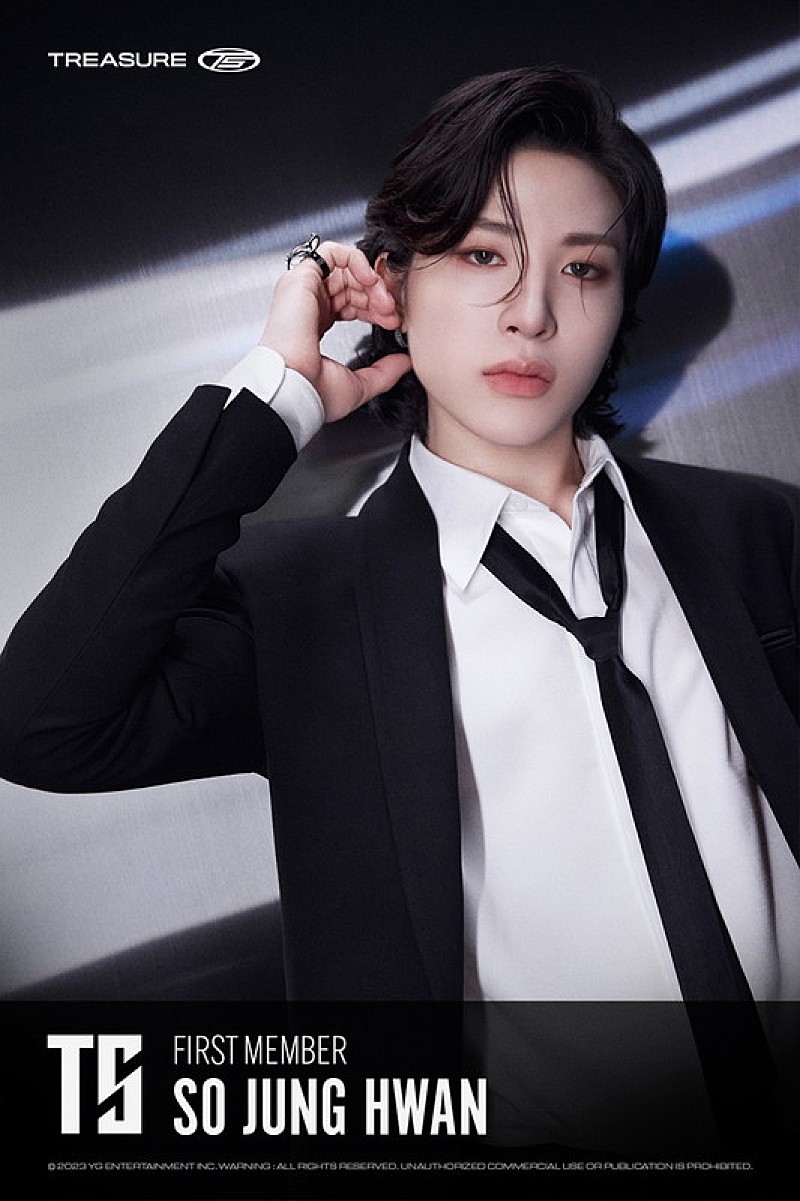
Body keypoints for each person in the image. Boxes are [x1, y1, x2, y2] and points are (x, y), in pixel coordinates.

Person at [0, 65, 797, 1151]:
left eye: (582, 268)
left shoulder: (757, 534)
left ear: (618, 305)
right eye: (481, 255)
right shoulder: (306, 605)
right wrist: (277, 396)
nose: (530, 312)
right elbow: (41, 718)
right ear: (394, 285)